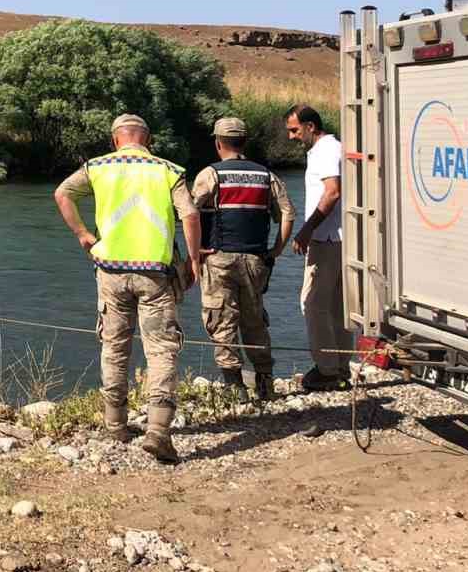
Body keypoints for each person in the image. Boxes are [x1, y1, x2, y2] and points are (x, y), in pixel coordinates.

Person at [54, 114, 201, 464]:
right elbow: (191, 216)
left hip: (111, 269)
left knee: (114, 345)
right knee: (162, 349)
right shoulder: (168, 169)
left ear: (115, 139)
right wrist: (193, 260)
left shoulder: (97, 167)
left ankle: (115, 422)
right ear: (147, 140)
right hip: (155, 272)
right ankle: (158, 431)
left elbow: (61, 193)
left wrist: (83, 234)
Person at [191, 117, 295, 402]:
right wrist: (276, 250)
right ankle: (265, 383)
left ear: (218, 143)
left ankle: (234, 388)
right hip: (255, 259)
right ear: (245, 142)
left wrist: (195, 251)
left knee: (221, 319)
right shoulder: (266, 176)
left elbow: (189, 213)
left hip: (219, 257)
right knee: (254, 320)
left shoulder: (210, 175)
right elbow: (288, 213)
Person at [286, 105, 349, 390]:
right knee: (335, 306)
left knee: (312, 304)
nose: (291, 137)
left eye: (295, 130)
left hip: (326, 240)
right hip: (342, 239)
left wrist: (307, 229)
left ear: (311, 126)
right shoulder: (335, 147)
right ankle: (341, 366)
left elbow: (332, 192)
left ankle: (326, 370)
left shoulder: (324, 151)